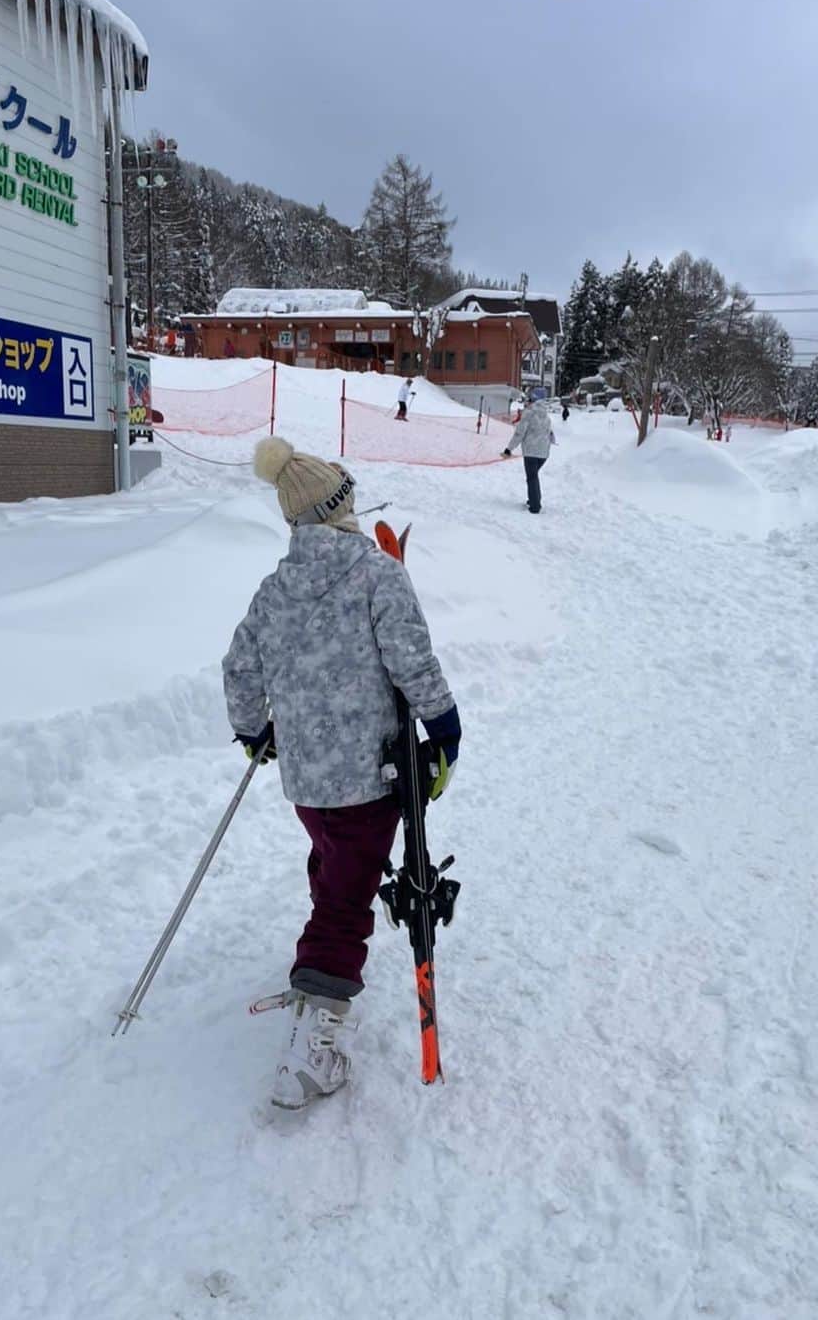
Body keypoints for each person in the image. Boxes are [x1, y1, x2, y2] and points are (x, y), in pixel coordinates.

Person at [222, 437, 460, 1110]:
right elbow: (412, 660)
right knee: (346, 903)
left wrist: (253, 730)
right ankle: (308, 1053)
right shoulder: (377, 572)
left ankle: (315, 959)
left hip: (306, 779)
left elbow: (239, 667)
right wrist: (445, 727)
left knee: (334, 863)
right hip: (371, 776)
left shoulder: (275, 589)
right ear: (341, 504)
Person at [502, 388, 555, 513]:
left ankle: (535, 506)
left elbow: (519, 433)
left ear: (534, 399)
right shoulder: (546, 415)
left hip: (531, 451)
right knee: (534, 477)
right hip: (543, 454)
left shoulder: (529, 413)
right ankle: (533, 499)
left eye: (530, 398)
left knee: (532, 478)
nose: (527, 401)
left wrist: (509, 449)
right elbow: (550, 434)